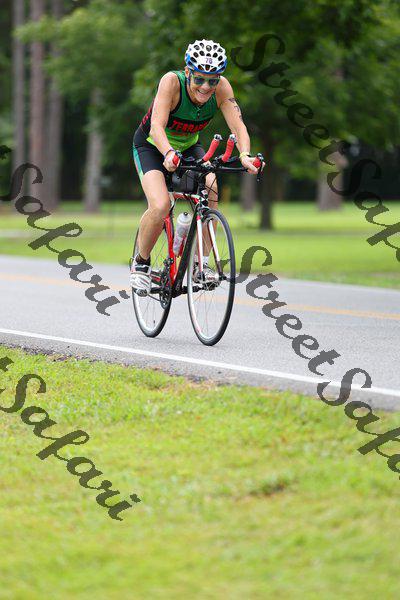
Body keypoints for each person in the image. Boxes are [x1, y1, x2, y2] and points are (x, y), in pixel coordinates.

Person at [131, 39, 263, 295]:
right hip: (152, 145)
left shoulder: (222, 88)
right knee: (160, 205)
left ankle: (199, 264)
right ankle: (141, 262)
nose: (206, 87)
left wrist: (245, 155)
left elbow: (238, 126)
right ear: (188, 72)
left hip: (189, 146)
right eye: (200, 79)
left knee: (211, 186)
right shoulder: (171, 82)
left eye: (212, 81)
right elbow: (157, 126)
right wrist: (168, 153)